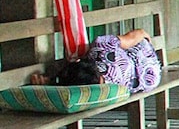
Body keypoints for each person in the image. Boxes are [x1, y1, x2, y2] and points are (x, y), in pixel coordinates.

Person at [29, 29, 161, 94]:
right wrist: (144, 35)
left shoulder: (98, 91)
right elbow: (137, 35)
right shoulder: (102, 47)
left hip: (151, 79)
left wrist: (46, 82)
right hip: (145, 60)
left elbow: (67, 84)